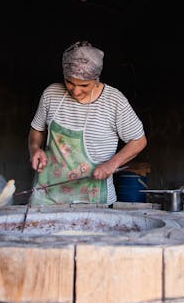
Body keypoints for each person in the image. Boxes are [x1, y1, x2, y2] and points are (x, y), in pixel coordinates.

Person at [28, 41, 147, 205]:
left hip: (94, 199)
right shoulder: (51, 94)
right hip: (48, 196)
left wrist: (112, 164)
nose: (76, 91)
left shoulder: (114, 101)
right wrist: (34, 149)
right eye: (69, 82)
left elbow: (139, 141)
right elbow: (37, 130)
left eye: (84, 85)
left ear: (96, 79)